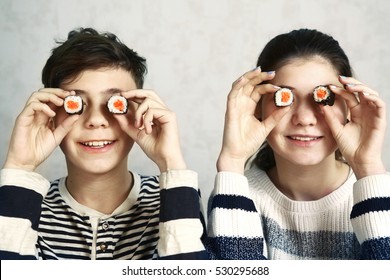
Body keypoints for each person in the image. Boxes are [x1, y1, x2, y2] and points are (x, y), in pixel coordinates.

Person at [0, 27, 206, 260]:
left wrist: (172, 164)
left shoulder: (175, 196)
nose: (96, 121)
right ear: (51, 112)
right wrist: (20, 167)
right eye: (75, 102)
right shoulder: (22, 204)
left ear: (140, 109)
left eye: (114, 103)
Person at [206, 28, 390, 259]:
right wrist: (232, 162)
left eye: (324, 97)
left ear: (349, 107)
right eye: (284, 97)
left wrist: (369, 168)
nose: (304, 118)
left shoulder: (384, 193)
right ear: (257, 108)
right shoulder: (234, 193)